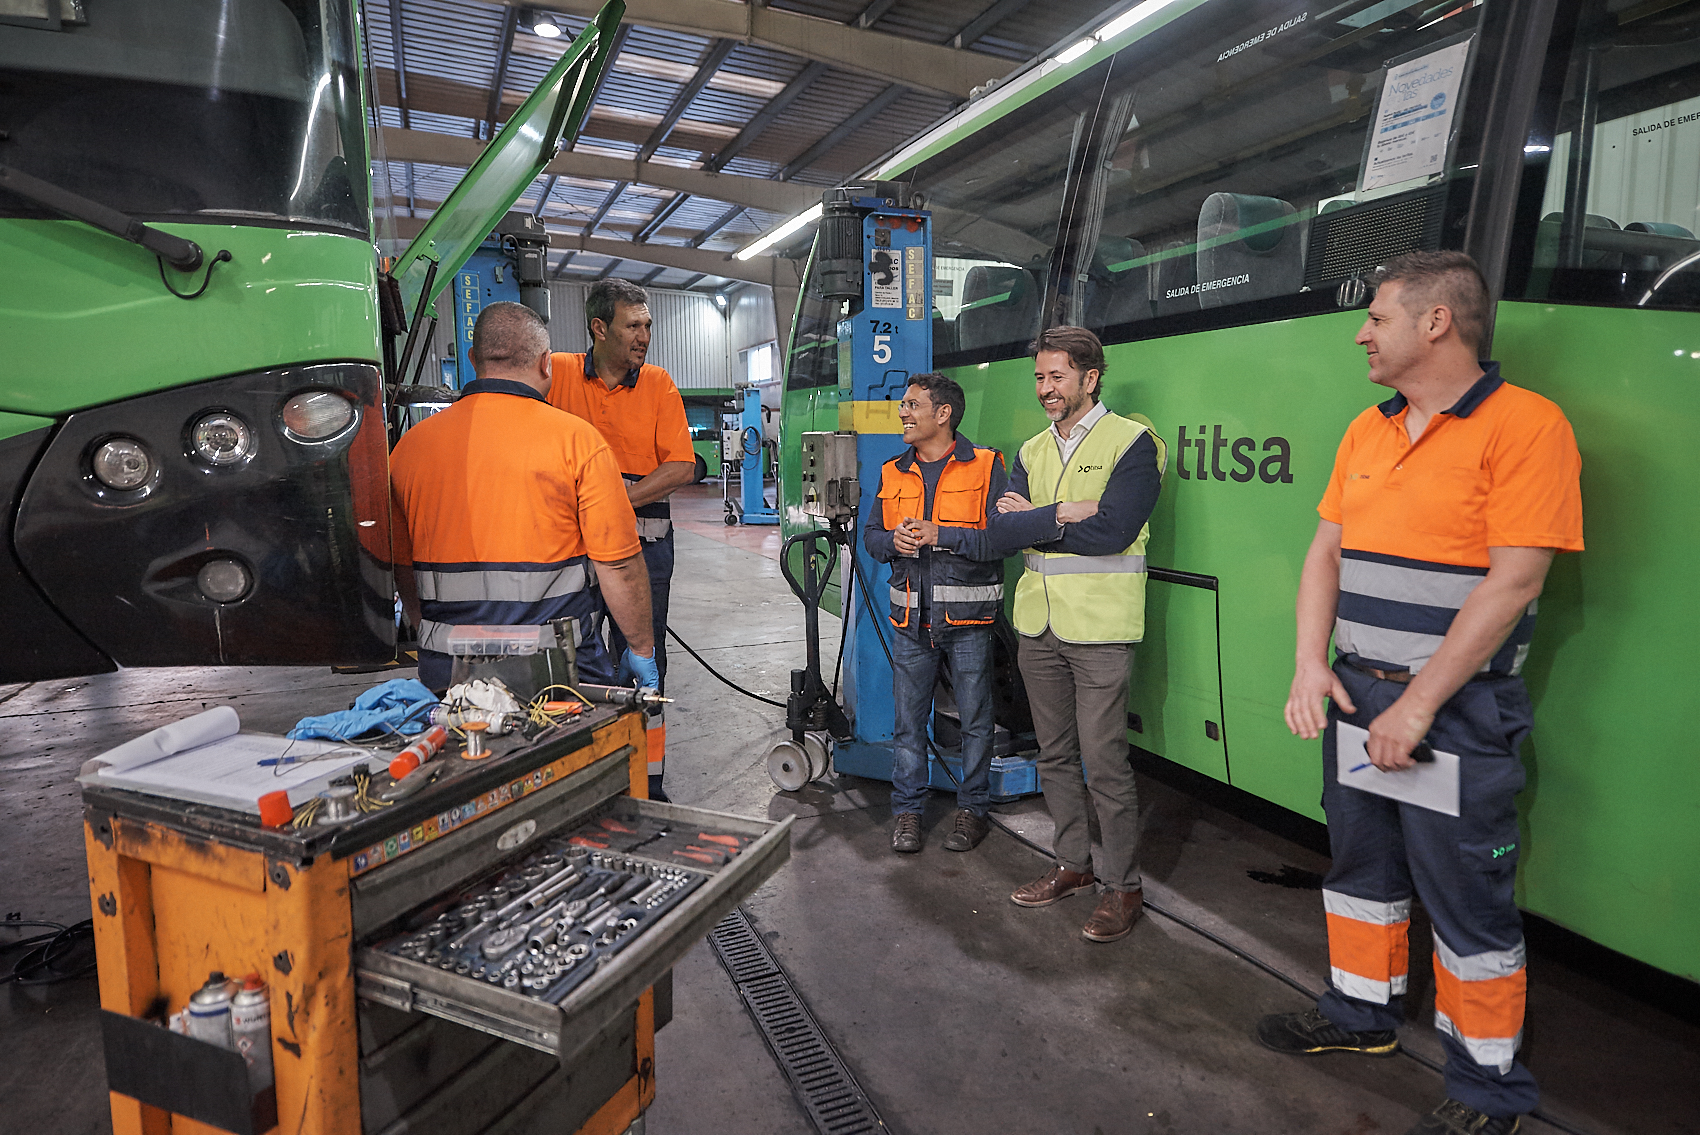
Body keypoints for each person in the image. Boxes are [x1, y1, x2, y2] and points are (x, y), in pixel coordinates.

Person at [1256, 251, 1583, 1135]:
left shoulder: (1526, 426)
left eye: (1377, 315)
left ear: (1436, 322)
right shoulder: (1368, 429)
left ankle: (1489, 1091)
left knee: (1467, 902)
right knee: (1361, 871)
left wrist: (1420, 705)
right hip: (1358, 696)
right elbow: (1326, 552)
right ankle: (1359, 1016)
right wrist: (1308, 662)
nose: (1362, 331)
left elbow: (1513, 582)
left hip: (1456, 713)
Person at [390, 301, 660, 701]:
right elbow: (617, 564)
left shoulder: (409, 449)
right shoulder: (577, 441)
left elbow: (400, 566)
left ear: (472, 360)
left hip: (445, 671)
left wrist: (437, 635)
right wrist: (640, 649)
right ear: (546, 363)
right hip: (558, 670)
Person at [994, 326, 1165, 944]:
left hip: (1098, 626)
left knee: (1105, 761)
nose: (1045, 389)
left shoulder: (1134, 444)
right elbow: (1002, 530)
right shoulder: (1033, 449)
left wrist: (1039, 519)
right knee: (1054, 755)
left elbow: (1114, 532)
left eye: (1057, 377)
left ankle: (1123, 887)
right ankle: (1073, 865)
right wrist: (1068, 512)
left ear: (1090, 379)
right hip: (1037, 623)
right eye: (1040, 377)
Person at [550, 279, 695, 800]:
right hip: (574, 549)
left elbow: (681, 464)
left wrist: (613, 501)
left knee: (645, 661)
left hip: (648, 550)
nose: (644, 336)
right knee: (580, 660)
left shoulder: (658, 384)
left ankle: (648, 782)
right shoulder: (559, 373)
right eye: (633, 325)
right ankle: (591, 776)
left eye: (648, 325)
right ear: (598, 328)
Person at [862, 374, 1010, 854]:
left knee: (975, 720)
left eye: (911, 405)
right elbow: (872, 538)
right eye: (903, 405)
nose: (902, 413)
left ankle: (972, 811)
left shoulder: (986, 465)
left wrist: (940, 534)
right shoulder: (891, 470)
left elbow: (1001, 541)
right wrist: (893, 542)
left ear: (943, 413)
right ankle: (907, 813)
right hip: (910, 622)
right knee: (908, 724)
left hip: (968, 624)